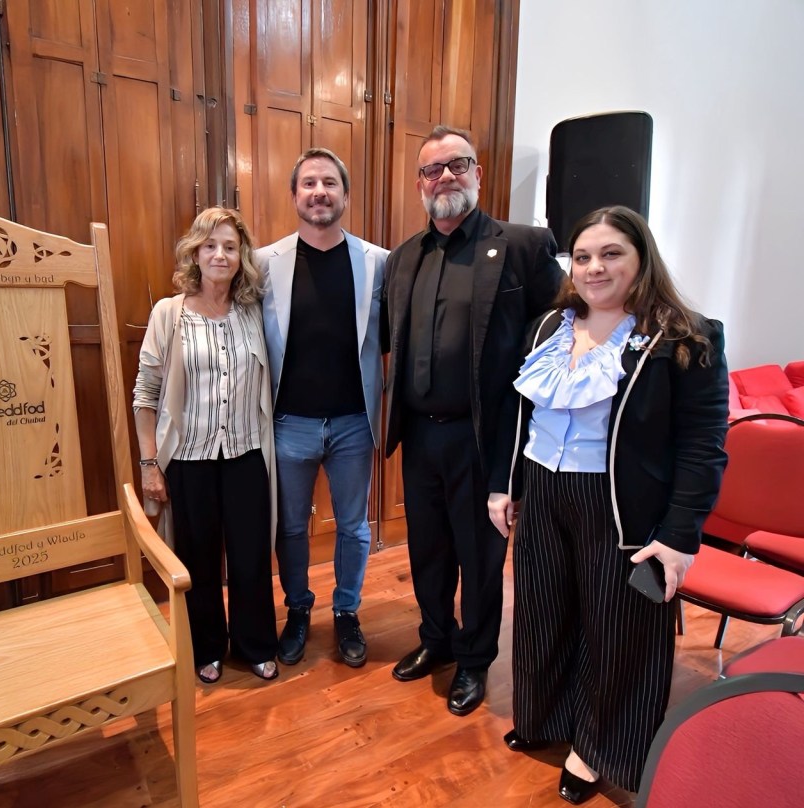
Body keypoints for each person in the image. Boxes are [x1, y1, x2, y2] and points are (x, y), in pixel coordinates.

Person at [496, 205, 729, 802]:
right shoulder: (550, 326)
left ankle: (599, 748)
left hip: (620, 505)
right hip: (545, 490)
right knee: (544, 613)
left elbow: (704, 448)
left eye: (611, 253)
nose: (594, 267)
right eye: (582, 256)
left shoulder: (685, 336)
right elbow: (520, 416)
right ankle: (546, 716)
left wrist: (680, 536)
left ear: (641, 258)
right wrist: (508, 485)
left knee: (618, 631)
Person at [382, 126, 565, 716]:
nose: (445, 178)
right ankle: (435, 640)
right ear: (419, 184)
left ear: (478, 174)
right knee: (428, 548)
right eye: (432, 170)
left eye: (457, 165)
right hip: (420, 432)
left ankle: (475, 660)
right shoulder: (404, 257)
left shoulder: (522, 246)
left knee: (481, 555)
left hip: (485, 435)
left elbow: (557, 335)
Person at [133, 207, 279, 684]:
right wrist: (149, 463)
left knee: (251, 556)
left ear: (241, 257)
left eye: (230, 247)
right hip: (190, 460)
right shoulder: (169, 314)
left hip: (246, 455)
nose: (220, 254)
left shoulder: (253, 313)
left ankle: (256, 643)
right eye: (210, 245)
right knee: (196, 556)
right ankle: (206, 648)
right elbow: (145, 394)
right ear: (195, 252)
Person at [256, 148, 387, 668]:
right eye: (309, 183)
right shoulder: (265, 262)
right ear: (294, 196)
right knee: (290, 528)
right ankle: (298, 610)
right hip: (289, 424)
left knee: (354, 527)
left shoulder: (377, 261)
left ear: (345, 196)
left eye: (330, 183)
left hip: (355, 422)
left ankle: (347, 613)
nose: (319, 192)